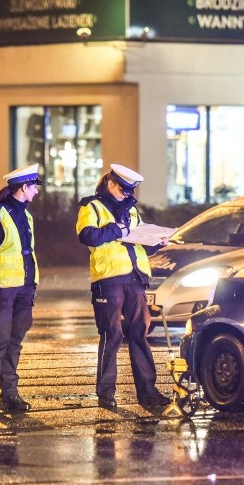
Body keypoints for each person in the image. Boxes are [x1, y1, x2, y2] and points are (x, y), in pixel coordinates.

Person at [76, 163, 171, 410]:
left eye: (131, 191)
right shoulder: (92, 207)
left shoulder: (131, 210)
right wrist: (116, 229)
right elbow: (88, 236)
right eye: (124, 190)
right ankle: (106, 394)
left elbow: (137, 240)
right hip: (109, 279)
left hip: (136, 278)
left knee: (139, 334)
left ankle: (148, 392)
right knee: (112, 335)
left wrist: (156, 242)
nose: (128, 195)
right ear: (111, 184)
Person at [0, 163, 41, 414]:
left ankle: (10, 394)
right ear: (23, 187)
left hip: (24, 289)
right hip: (4, 290)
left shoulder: (26, 215)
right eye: (34, 187)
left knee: (15, 342)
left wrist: (32, 285)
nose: (36, 192)